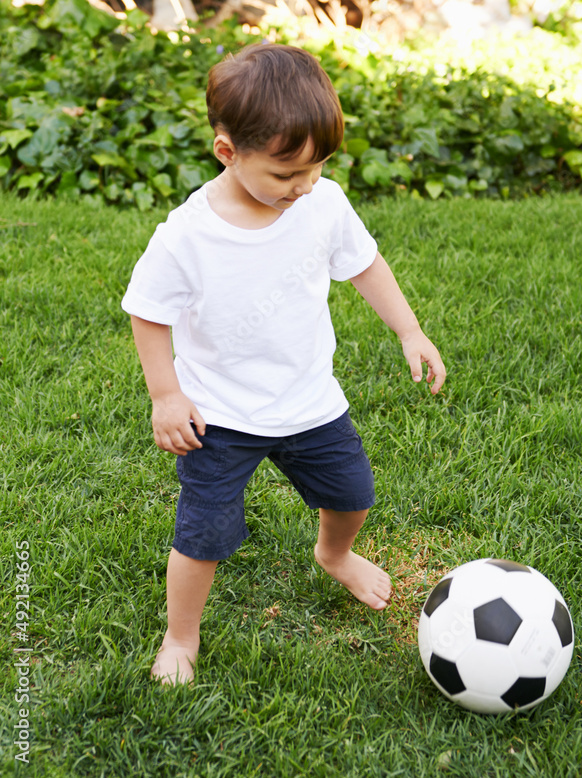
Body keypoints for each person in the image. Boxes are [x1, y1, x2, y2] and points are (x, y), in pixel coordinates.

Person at [122, 42, 446, 685]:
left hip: (308, 402)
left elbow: (364, 266)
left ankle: (335, 555)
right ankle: (181, 636)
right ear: (227, 152)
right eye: (284, 174)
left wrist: (409, 330)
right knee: (202, 535)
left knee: (352, 495)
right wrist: (166, 395)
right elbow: (147, 313)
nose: (303, 187)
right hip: (219, 414)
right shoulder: (187, 234)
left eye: (317, 168)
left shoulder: (322, 205)